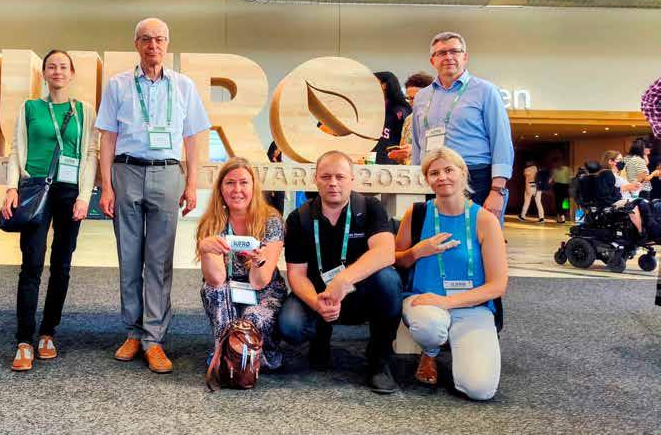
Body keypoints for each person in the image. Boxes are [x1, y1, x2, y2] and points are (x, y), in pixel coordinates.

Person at [95, 17, 212, 374]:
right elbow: (107, 138)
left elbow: (192, 138)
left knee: (159, 261)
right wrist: (106, 186)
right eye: (146, 39)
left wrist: (191, 184)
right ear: (136, 44)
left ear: (167, 45)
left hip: (167, 172)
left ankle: (154, 337)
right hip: (126, 171)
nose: (153, 45)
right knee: (129, 257)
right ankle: (133, 331)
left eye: (159, 39)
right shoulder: (117, 85)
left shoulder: (184, 86)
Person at [1, 50, 99, 371]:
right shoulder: (30, 107)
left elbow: (90, 154)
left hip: (70, 193)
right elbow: (16, 149)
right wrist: (11, 187)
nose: (57, 71)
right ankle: (24, 340)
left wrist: (84, 196)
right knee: (31, 264)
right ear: (43, 73)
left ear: (72, 74)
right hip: (34, 190)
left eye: (63, 67)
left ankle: (47, 332)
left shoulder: (84, 110)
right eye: (51, 67)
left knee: (61, 265)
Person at [278, 150, 402, 394]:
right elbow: (296, 274)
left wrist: (343, 281)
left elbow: (386, 252)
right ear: (315, 179)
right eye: (325, 177)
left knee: (388, 280)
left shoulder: (370, 207)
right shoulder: (299, 218)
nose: (333, 183)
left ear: (352, 179)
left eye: (340, 177)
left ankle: (380, 358)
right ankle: (320, 334)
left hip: (357, 294)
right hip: (318, 295)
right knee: (290, 325)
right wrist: (317, 303)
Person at [394, 147, 508, 401]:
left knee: (480, 390)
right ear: (427, 180)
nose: (442, 177)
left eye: (449, 170)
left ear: (463, 173)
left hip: (472, 307)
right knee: (429, 326)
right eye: (434, 173)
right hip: (424, 302)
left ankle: (462, 348)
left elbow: (498, 285)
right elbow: (395, 259)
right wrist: (417, 251)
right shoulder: (417, 213)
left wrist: (447, 301)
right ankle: (430, 352)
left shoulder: (485, 220)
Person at [410, 32, 513, 223]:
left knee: (478, 237)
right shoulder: (422, 97)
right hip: (432, 179)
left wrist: (497, 190)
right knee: (436, 235)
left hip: (476, 178)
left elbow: (501, 140)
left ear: (465, 57)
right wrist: (415, 180)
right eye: (442, 53)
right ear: (432, 60)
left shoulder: (486, 91)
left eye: (454, 51)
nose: (448, 57)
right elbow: (417, 143)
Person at [196, 157, 287, 370]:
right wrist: (205, 249)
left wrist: (258, 262)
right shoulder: (212, 221)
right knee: (214, 291)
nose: (237, 190)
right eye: (230, 183)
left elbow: (259, 281)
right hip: (228, 286)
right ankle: (228, 353)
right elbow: (216, 279)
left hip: (263, 289)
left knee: (251, 318)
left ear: (254, 187)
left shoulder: (271, 221)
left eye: (244, 182)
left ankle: (252, 355)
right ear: (221, 188)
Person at [388, 72, 432, 165]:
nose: (412, 102)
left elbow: (443, 150)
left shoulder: (440, 118)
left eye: (416, 98)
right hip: (409, 171)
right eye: (409, 98)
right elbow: (404, 153)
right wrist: (399, 155)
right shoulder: (409, 119)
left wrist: (414, 150)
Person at [372, 72, 412, 165]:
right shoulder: (372, 108)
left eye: (374, 82)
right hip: (372, 157)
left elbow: (405, 138)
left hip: (390, 161)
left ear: (385, 85)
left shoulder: (400, 110)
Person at [263, 141, 285, 214]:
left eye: (279, 150)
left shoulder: (280, 161)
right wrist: (271, 189)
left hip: (280, 188)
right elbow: (267, 176)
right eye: (276, 150)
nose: (277, 152)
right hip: (270, 188)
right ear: (272, 149)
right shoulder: (266, 160)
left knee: (280, 210)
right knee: (270, 210)